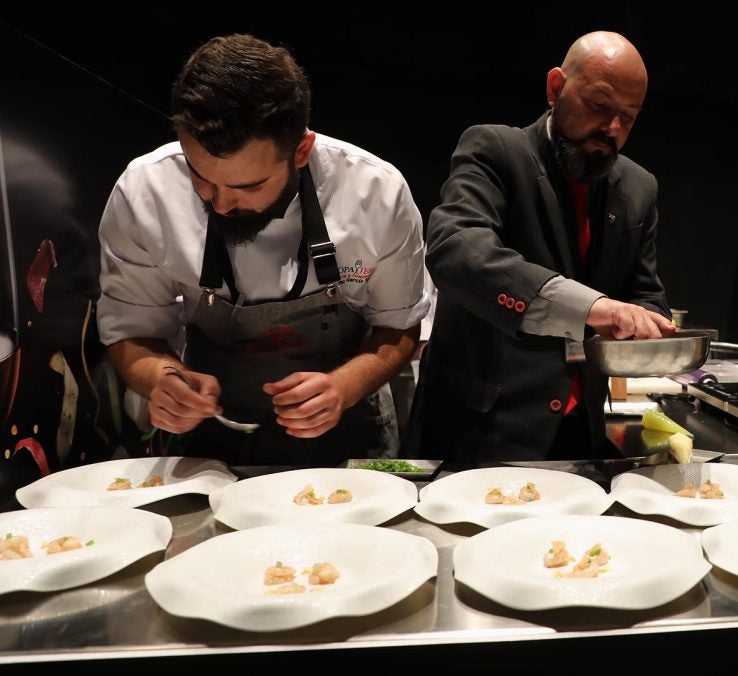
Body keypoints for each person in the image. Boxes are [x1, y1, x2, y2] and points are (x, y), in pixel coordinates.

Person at [96, 34, 429, 466]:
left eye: (249, 185)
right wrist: (162, 378)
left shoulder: (375, 193)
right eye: (201, 178)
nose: (220, 202)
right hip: (209, 447)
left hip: (351, 442)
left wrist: (343, 386)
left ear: (302, 151)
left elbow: (399, 328)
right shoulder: (145, 192)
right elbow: (129, 330)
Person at [407, 31, 675, 464]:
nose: (612, 129)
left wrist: (654, 331)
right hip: (477, 432)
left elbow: (646, 296)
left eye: (628, 116)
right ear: (556, 88)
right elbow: (457, 249)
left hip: (578, 433)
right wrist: (593, 309)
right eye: (599, 105)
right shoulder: (496, 149)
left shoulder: (639, 187)